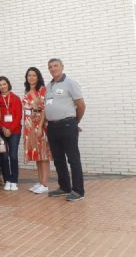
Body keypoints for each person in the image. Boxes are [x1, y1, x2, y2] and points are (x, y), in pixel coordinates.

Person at [44, 58, 86, 201]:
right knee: (58, 159)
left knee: (73, 159)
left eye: (56, 66)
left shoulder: (70, 83)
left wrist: (75, 122)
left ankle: (78, 191)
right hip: (52, 127)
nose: (53, 68)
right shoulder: (49, 86)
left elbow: (81, 105)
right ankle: (64, 187)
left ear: (62, 67)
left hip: (67, 125)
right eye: (50, 66)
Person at [23, 67, 51, 194]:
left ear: (38, 77)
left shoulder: (42, 90)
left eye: (34, 75)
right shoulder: (28, 91)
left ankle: (45, 184)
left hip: (40, 126)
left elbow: (45, 109)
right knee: (37, 156)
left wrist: (40, 126)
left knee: (44, 156)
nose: (31, 77)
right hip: (29, 127)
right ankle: (40, 182)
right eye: (29, 75)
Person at [0, 76, 22, 191]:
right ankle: (7, 180)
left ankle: (14, 180)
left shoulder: (16, 98)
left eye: (4, 84)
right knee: (4, 156)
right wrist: (3, 128)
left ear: (8, 84)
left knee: (13, 155)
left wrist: (10, 129)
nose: (2, 86)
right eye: (0, 85)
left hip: (15, 131)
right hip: (1, 132)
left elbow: (18, 116)